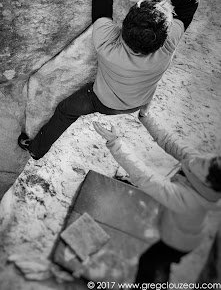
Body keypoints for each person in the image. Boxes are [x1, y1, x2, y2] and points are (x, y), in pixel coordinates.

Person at [18, 0, 200, 160]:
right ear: (165, 34)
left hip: (102, 101)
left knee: (66, 111)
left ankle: (36, 149)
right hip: (135, 103)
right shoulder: (168, 44)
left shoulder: (107, 44)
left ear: (122, 26)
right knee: (74, 109)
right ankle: (37, 150)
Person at [93, 115, 221, 283]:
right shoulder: (200, 165)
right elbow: (170, 141)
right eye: (211, 157)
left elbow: (146, 178)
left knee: (148, 262)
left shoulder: (188, 201)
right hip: (176, 224)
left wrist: (116, 143)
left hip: (178, 242)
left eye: (206, 163)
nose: (202, 158)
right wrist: (146, 117)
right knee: (160, 263)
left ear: (207, 182)